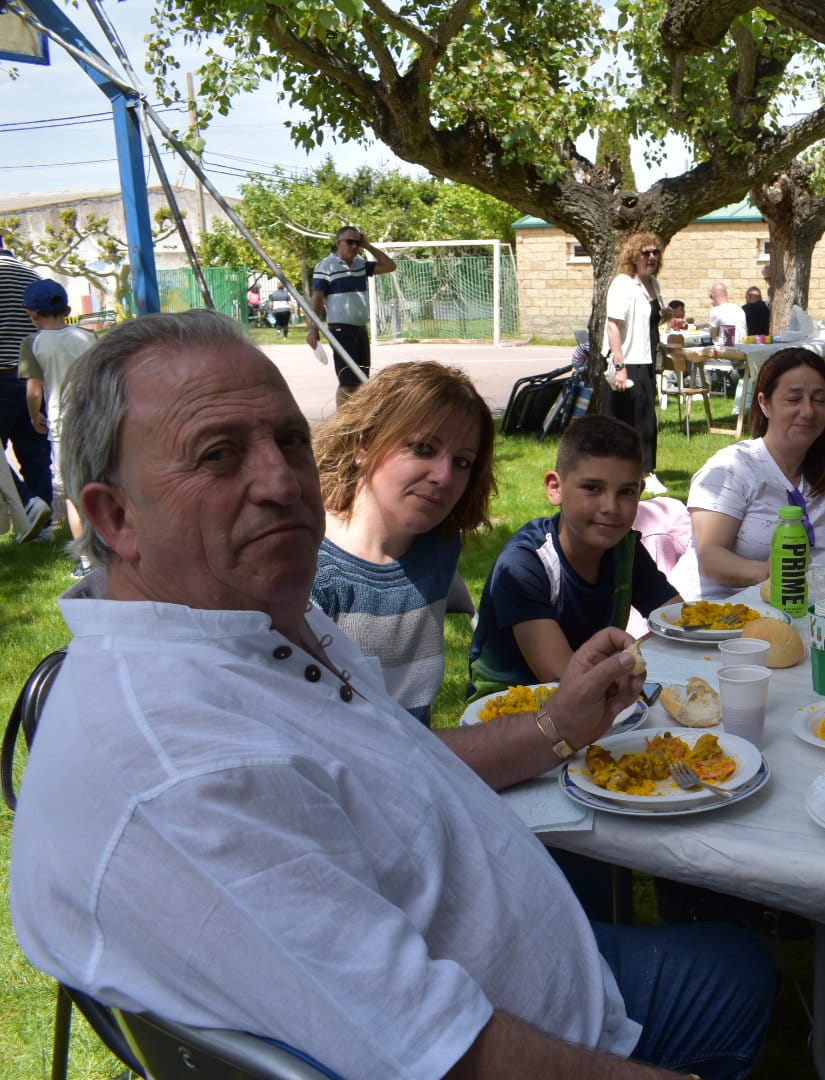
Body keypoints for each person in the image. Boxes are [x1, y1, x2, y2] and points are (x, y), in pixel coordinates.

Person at [9, 310, 775, 1080]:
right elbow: (444, 1053)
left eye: (287, 440)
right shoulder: (182, 771)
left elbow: (391, 753)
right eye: (218, 455)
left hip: (556, 979)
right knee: (743, 972)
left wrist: (556, 726)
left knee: (742, 960)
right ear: (115, 516)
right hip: (551, 1034)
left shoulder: (250, 617)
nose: (281, 481)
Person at [311, 361, 496, 725]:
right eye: (424, 448)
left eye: (462, 462)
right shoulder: (311, 575)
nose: (444, 477)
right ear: (364, 444)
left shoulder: (439, 546)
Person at [468, 415, 680, 692]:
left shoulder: (623, 550)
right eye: (592, 488)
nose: (610, 507)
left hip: (595, 699)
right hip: (513, 714)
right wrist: (632, 661)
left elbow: (679, 622)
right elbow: (565, 679)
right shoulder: (524, 566)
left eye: (626, 492)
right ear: (555, 488)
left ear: (640, 492)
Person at [686, 347, 825, 600]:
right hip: (726, 614)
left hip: (800, 608)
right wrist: (769, 572)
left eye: (819, 400)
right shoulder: (731, 469)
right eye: (793, 399)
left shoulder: (821, 475)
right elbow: (710, 558)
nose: (808, 411)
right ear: (764, 404)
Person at [18, 279, 98, 569]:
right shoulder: (87, 337)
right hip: (91, 420)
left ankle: (86, 560)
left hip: (61, 426)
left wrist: (33, 414)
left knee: (73, 493)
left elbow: (34, 390)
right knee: (98, 481)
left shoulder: (33, 343)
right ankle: (108, 547)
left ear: (32, 313)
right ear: (66, 308)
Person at [605, 231, 670, 495]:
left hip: (646, 360)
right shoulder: (623, 283)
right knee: (627, 420)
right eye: (646, 252)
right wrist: (620, 367)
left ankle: (644, 472)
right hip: (628, 361)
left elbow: (647, 322)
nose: (652, 256)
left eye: (656, 252)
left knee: (645, 418)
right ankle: (636, 473)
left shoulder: (652, 284)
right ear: (634, 256)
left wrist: (663, 315)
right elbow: (613, 326)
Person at [307, 224, 398, 408]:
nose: (354, 246)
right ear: (338, 243)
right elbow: (317, 298)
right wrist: (313, 329)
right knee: (348, 383)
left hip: (360, 331)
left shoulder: (361, 265)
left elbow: (390, 266)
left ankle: (354, 421)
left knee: (362, 382)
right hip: (340, 330)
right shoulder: (326, 266)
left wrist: (369, 246)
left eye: (357, 242)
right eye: (349, 241)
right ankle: (341, 424)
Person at [0, 234, 53, 540]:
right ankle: (43, 529)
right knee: (35, 453)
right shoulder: (30, 276)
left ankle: (26, 502)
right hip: (32, 377)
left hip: (1, 376)